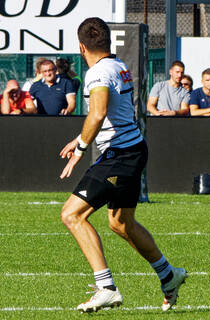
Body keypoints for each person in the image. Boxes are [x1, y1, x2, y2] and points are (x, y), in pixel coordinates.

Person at [59, 17, 187, 313]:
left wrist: (80, 148)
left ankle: (106, 287)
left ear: (81, 46)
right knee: (120, 223)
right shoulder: (118, 65)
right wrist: (80, 137)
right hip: (132, 149)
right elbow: (112, 113)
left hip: (120, 155)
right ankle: (169, 275)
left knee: (71, 215)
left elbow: (99, 112)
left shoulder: (97, 73)